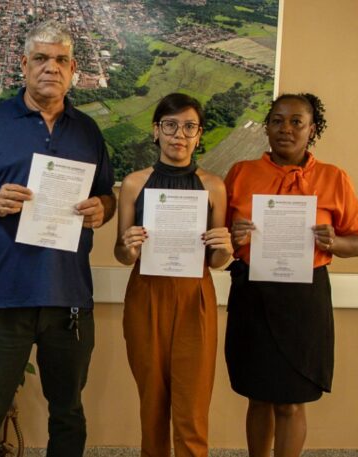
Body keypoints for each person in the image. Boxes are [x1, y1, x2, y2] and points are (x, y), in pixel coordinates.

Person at [0, 20, 116, 457]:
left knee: (68, 412)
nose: (50, 68)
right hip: (5, 296)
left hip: (69, 299)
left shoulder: (88, 131)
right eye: (40, 58)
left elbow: (107, 196)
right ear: (23, 64)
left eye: (61, 60)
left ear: (74, 68)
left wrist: (104, 209)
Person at [224, 93, 358, 457]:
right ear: (267, 126)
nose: (284, 129)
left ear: (311, 129)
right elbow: (218, 238)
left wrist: (334, 242)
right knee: (258, 397)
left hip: (305, 300)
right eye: (276, 120)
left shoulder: (334, 178)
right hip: (253, 293)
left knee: (291, 401)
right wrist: (233, 236)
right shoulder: (241, 173)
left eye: (295, 121)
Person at [114, 93, 232, 457]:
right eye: (170, 126)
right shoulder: (135, 184)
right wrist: (128, 246)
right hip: (146, 294)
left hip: (195, 297)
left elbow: (216, 260)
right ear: (156, 131)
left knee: (192, 407)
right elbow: (121, 254)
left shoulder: (213, 186)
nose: (179, 135)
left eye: (189, 127)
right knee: (152, 403)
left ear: (198, 135)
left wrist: (225, 246)